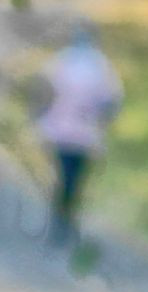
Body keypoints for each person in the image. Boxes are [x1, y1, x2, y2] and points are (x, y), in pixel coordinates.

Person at [34, 23, 124, 246]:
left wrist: (39, 118)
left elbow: (43, 92)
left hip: (60, 132)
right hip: (85, 135)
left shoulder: (61, 61)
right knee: (74, 179)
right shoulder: (100, 66)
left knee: (64, 177)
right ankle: (66, 220)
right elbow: (112, 100)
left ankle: (61, 220)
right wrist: (101, 120)